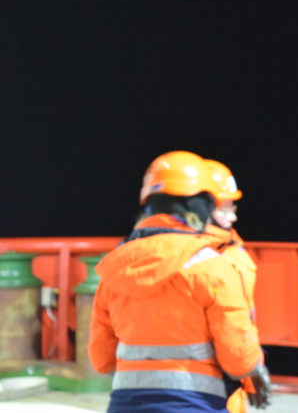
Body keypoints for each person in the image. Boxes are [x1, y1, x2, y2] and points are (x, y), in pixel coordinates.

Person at [89, 150, 268, 412]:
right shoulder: (213, 267)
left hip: (125, 402)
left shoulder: (115, 266)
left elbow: (101, 360)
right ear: (204, 206)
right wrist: (254, 371)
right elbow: (238, 358)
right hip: (196, 403)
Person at [204, 158, 272, 411]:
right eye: (223, 208)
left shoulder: (231, 247)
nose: (232, 215)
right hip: (211, 384)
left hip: (230, 377)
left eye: (232, 206)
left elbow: (242, 321)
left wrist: (253, 368)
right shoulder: (208, 257)